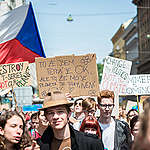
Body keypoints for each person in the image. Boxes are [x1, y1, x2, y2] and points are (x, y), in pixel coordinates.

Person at [39, 91, 104, 150]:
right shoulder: (39, 146)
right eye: (50, 113)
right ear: (46, 116)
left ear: (69, 114)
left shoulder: (91, 143)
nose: (55, 116)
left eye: (60, 111)